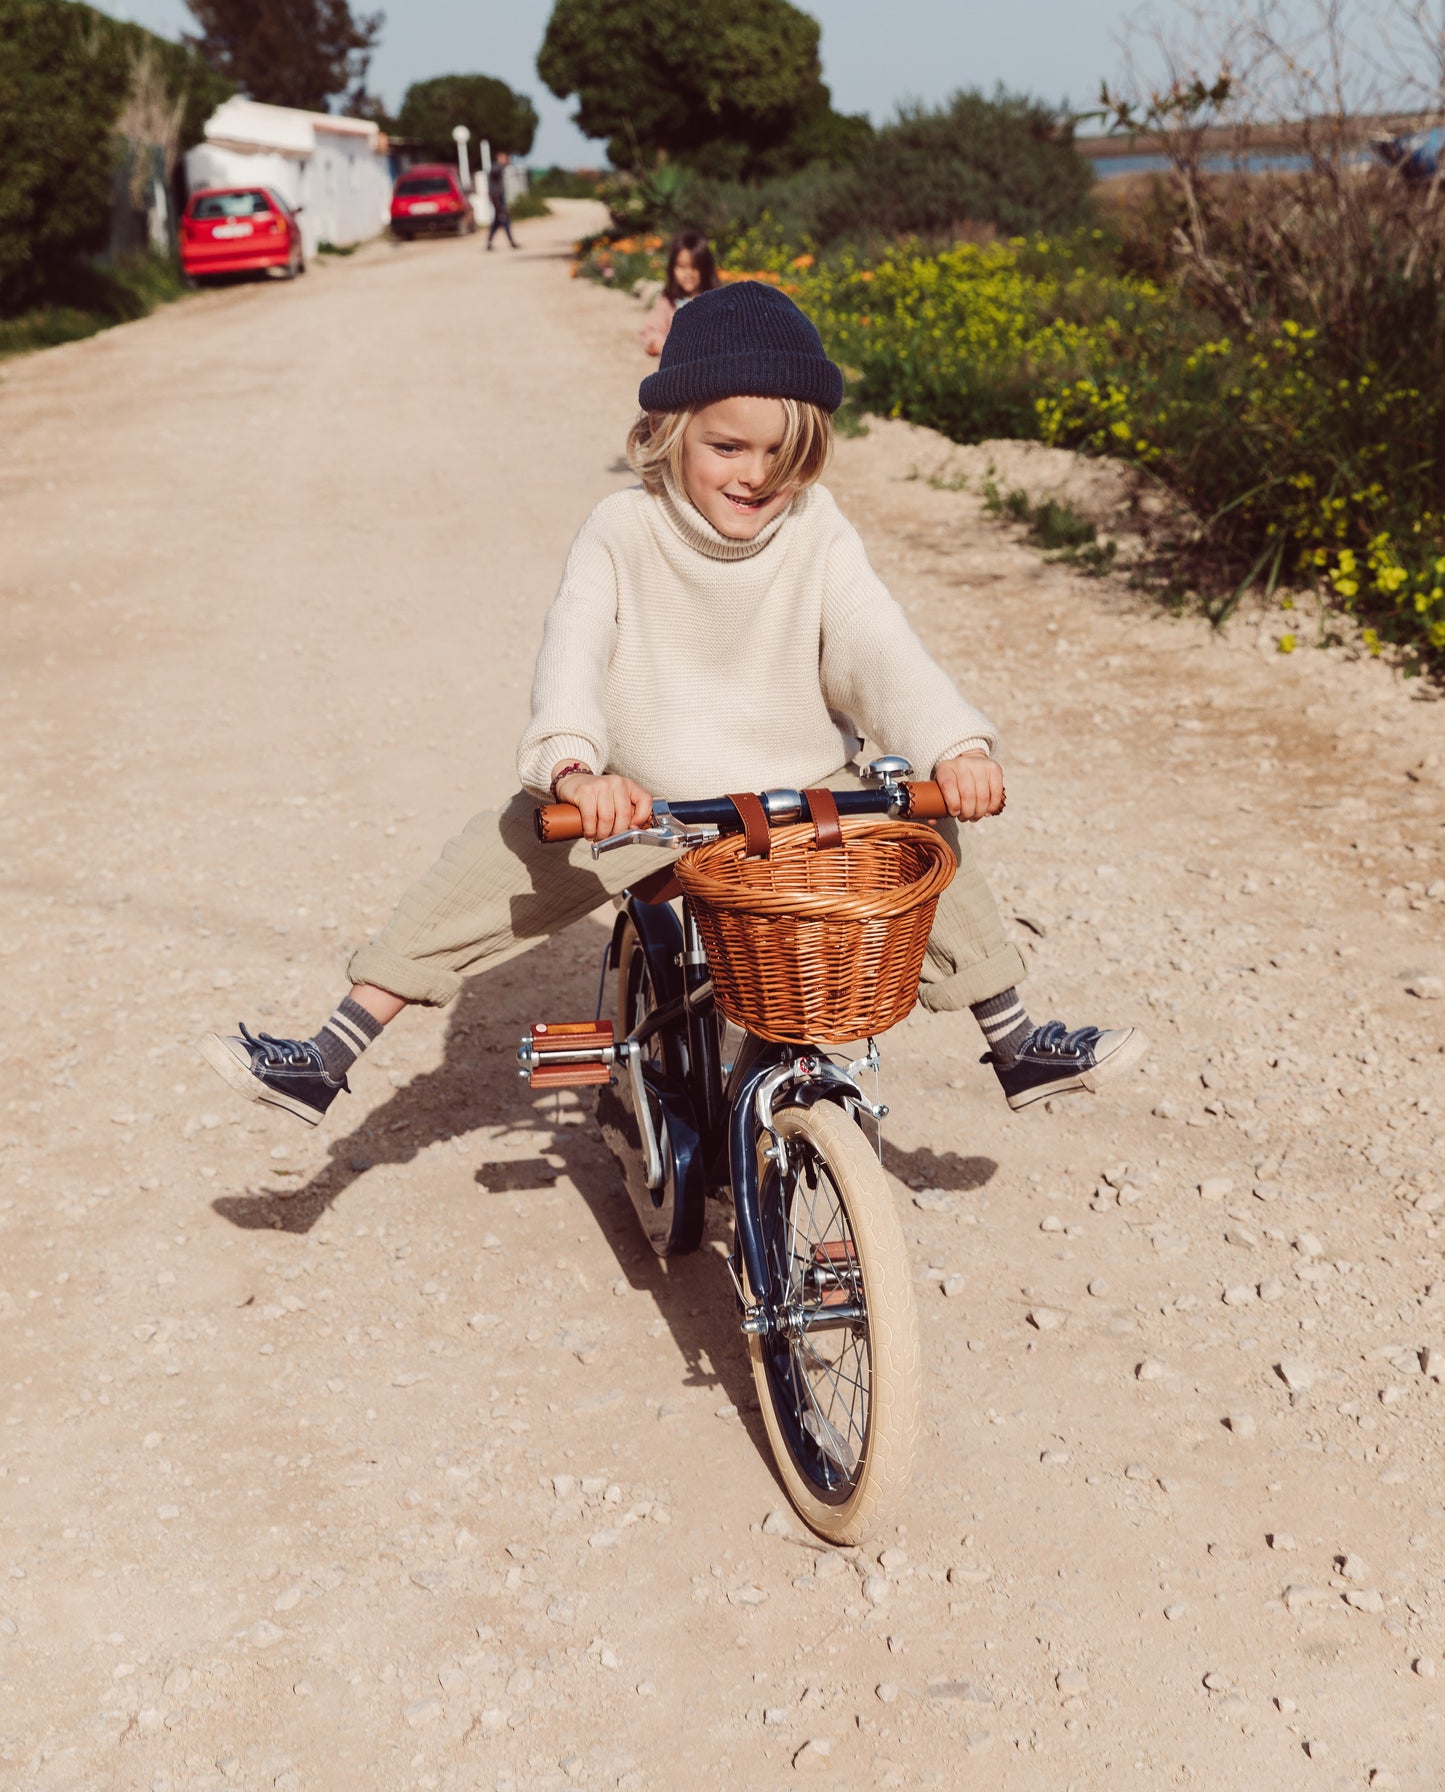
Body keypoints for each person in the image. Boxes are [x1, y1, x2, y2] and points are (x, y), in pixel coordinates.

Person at [201, 281, 1145, 1127]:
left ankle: (1013, 1034)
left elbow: (875, 644)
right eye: (725, 445)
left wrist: (953, 746)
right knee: (486, 869)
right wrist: (576, 768)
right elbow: (571, 658)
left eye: (780, 453)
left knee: (921, 837)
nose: (752, 475)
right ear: (668, 433)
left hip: (796, 794)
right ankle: (330, 1052)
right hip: (644, 800)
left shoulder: (815, 531)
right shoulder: (623, 531)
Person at [641, 230, 718, 355]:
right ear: (672, 268)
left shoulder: (717, 301)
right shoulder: (668, 302)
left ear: (706, 268)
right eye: (682, 267)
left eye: (694, 267)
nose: (688, 273)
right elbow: (651, 330)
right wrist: (657, 344)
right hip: (676, 369)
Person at [485, 151, 516, 251]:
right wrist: (498, 206)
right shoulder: (496, 168)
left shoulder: (499, 168)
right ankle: (511, 242)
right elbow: (495, 171)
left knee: (498, 222)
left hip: (498, 198)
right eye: (504, 158)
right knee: (504, 219)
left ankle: (490, 242)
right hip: (497, 199)